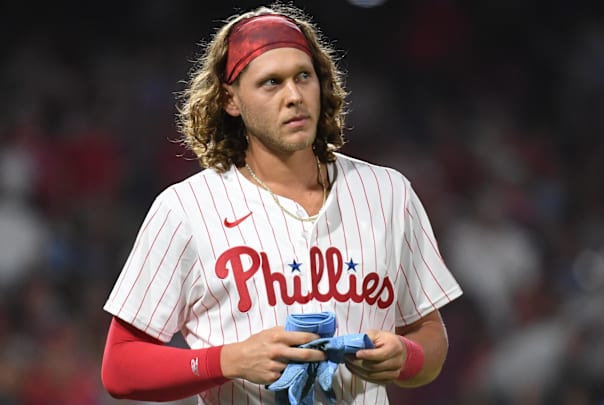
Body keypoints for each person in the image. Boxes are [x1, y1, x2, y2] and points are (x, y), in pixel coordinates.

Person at [100, 3, 463, 404]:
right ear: (230, 100)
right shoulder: (185, 209)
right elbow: (120, 367)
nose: (294, 96)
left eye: (303, 76)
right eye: (271, 83)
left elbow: (431, 338)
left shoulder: (388, 193)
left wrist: (405, 357)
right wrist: (227, 360)